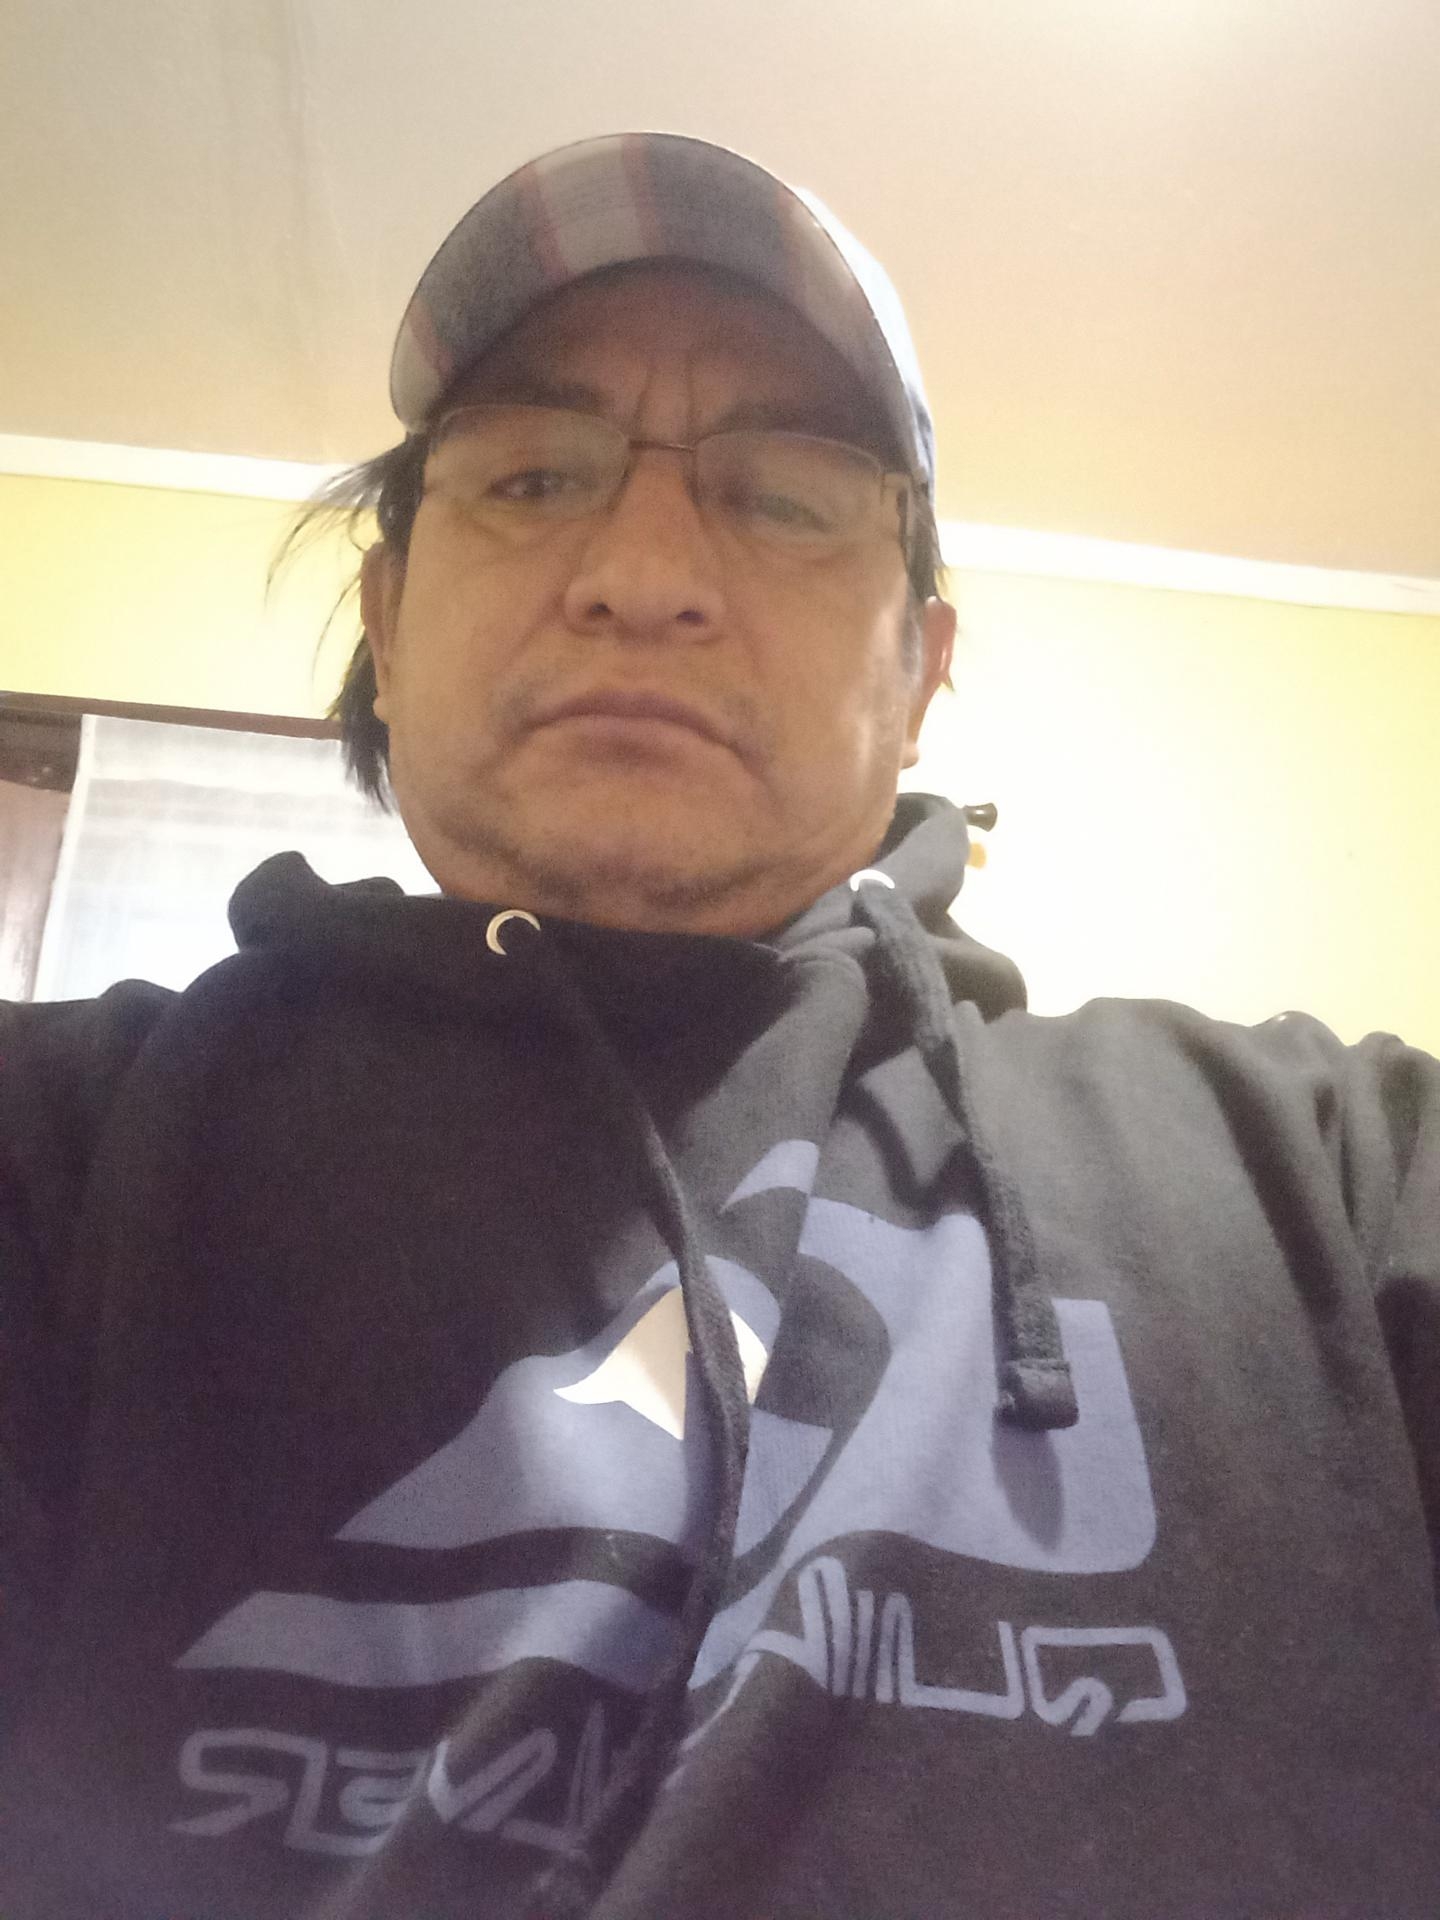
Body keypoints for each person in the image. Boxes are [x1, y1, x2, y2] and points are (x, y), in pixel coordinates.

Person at [0, 130, 1436, 1920]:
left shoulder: (1334, 1181)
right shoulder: (55, 1159)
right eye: (534, 476)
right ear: (388, 618)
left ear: (919, 674)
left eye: (783, 497)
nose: (644, 570)